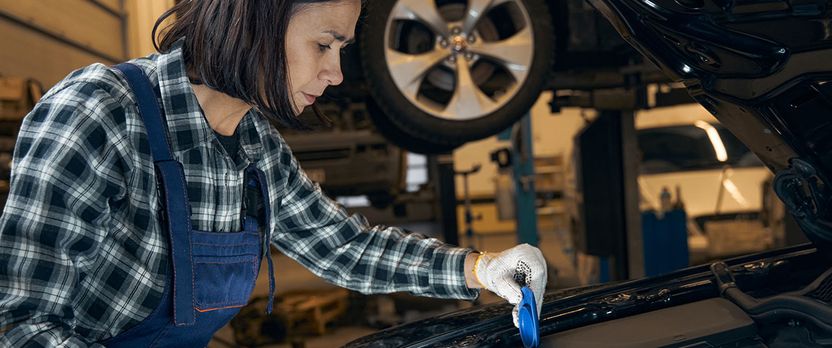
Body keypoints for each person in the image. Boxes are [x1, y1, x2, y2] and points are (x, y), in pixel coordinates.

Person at [0, 0, 547, 346]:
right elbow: (18, 325)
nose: (335, 73)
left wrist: (482, 268)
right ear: (255, 18)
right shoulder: (98, 113)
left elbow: (341, 249)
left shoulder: (254, 144)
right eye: (323, 45)